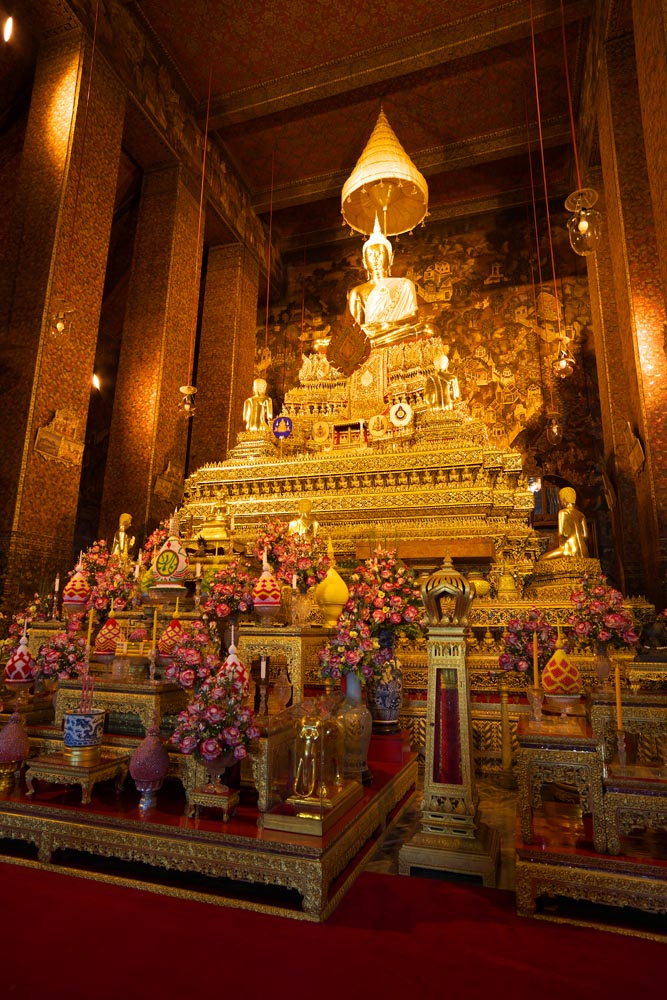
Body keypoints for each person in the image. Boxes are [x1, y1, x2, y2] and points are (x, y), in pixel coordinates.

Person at [347, 217, 419, 348]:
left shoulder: (405, 285)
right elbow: (354, 329)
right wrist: (372, 329)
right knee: (320, 345)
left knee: (427, 329)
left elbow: (413, 318)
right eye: (370, 255)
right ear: (364, 262)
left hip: (396, 332)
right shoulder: (357, 292)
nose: (375, 258)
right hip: (370, 335)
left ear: (390, 258)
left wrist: (389, 325)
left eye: (379, 253)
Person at [540, 487, 589, 560]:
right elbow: (585, 536)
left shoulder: (563, 512)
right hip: (584, 551)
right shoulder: (581, 515)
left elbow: (562, 534)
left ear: (564, 498)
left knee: (542, 558)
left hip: (569, 550)